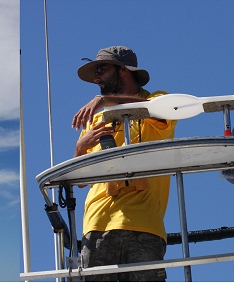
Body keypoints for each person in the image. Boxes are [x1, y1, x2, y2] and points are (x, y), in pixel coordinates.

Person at [72, 46, 177, 281]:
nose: (96, 78)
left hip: (145, 224)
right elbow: (79, 181)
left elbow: (162, 110)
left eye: (101, 69)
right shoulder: (95, 117)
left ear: (123, 71)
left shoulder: (156, 101)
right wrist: (80, 148)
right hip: (97, 225)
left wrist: (103, 100)